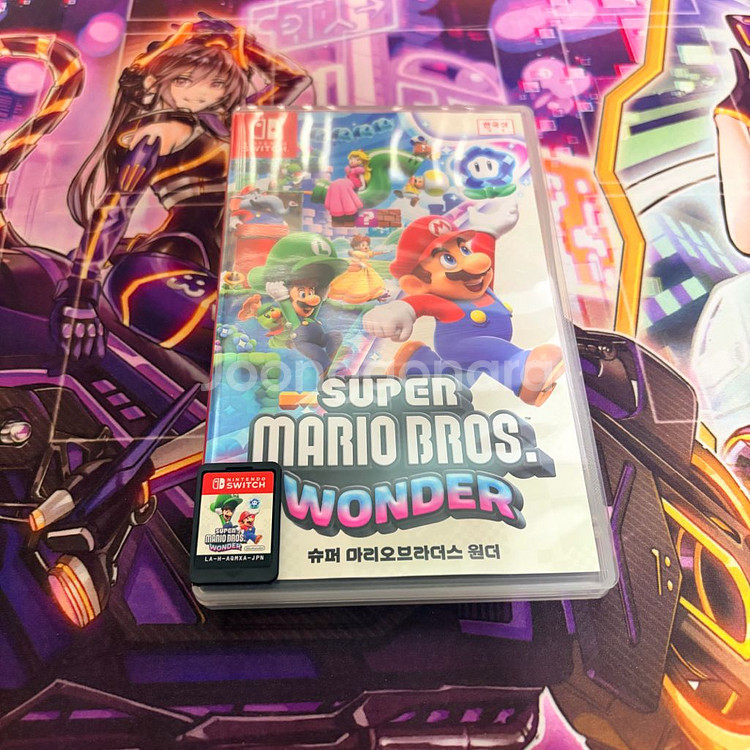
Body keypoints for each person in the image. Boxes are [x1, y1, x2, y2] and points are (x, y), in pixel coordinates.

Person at [52, 14, 312, 364]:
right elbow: (116, 208)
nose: (200, 93)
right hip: (159, 276)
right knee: (275, 351)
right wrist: (80, 292)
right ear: (160, 80)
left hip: (207, 275)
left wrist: (243, 42)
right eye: (184, 80)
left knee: (289, 353)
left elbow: (295, 79)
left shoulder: (228, 126)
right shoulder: (163, 129)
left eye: (216, 83)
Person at [328, 234, 388, 304]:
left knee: (372, 281)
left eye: (367, 245)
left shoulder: (365, 252)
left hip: (365, 269)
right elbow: (355, 259)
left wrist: (383, 252)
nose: (366, 247)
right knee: (358, 284)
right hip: (357, 269)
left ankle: (376, 295)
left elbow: (372, 253)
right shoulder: (356, 253)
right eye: (363, 245)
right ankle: (360, 297)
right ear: (357, 246)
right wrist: (360, 263)